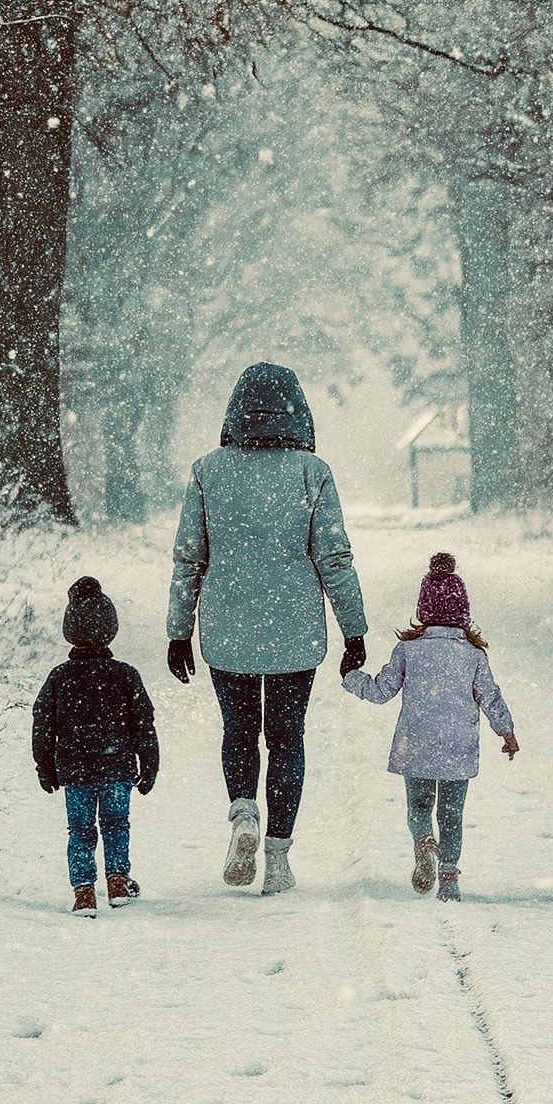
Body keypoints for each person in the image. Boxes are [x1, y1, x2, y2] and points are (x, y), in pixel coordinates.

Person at [167, 363, 367, 895]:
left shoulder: (208, 471)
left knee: (239, 732)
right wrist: (354, 630)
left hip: (228, 631)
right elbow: (335, 557)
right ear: (298, 411)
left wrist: (178, 630)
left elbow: (189, 559)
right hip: (294, 633)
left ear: (234, 412)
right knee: (287, 740)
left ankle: (243, 818)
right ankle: (277, 859)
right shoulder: (311, 472)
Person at [342, 553, 518, 902]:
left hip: (416, 741)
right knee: (452, 815)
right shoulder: (473, 655)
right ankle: (449, 878)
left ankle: (424, 842)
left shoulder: (408, 650)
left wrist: (351, 678)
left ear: (423, 608)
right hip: (457, 745)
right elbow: (490, 697)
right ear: (463, 611)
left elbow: (381, 691)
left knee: (419, 806)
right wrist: (507, 732)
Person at [32, 577, 159, 917]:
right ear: (111, 628)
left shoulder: (60, 677)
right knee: (117, 824)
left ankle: (84, 891)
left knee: (81, 829)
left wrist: (45, 765)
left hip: (74, 770)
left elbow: (43, 723)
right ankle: (117, 879)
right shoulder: (125, 675)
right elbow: (144, 723)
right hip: (116, 766)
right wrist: (149, 763)